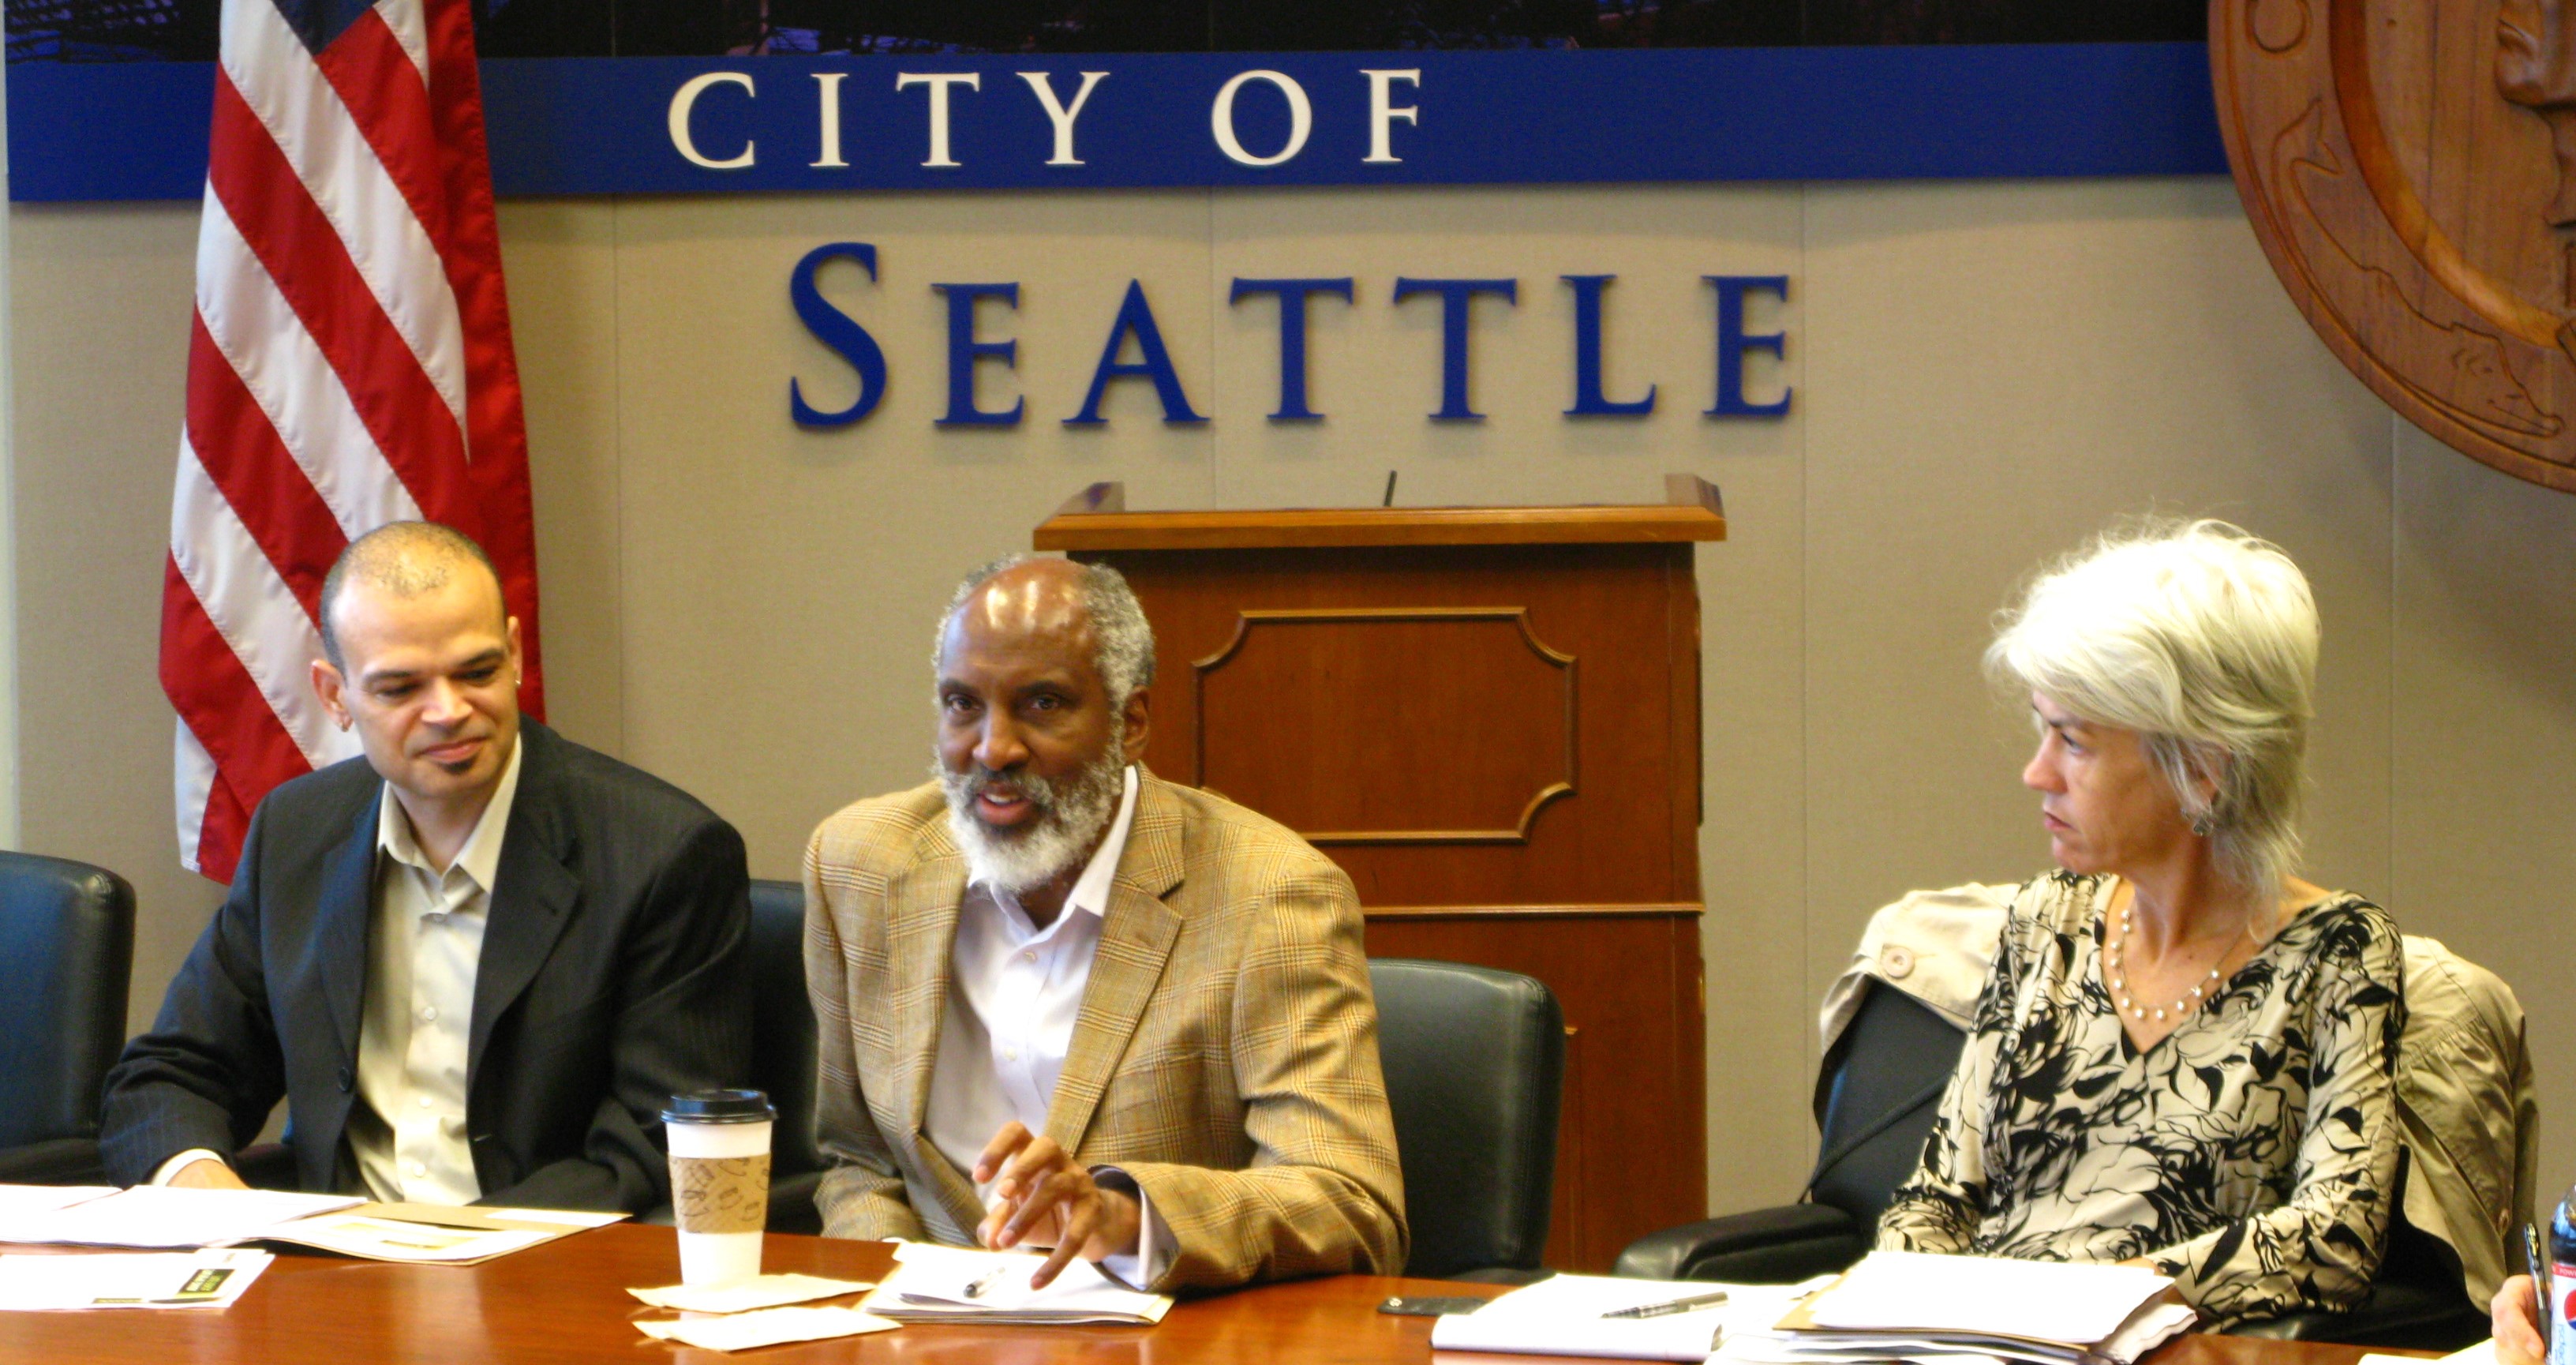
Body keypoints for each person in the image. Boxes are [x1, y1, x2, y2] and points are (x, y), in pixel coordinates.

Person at [100, 522, 754, 1212]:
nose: (449, 711)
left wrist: (447, 1257)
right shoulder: (295, 832)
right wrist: (210, 1195)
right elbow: (169, 1077)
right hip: (332, 1272)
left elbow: (664, 1145)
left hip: (541, 1276)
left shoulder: (662, 852)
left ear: (515, 652)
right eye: (400, 687)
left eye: (476, 671)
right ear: (333, 696)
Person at [803, 554, 1406, 1293]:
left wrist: (1125, 1217)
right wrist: (895, 1307)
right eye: (963, 704)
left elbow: (1350, 1199)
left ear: (1132, 723)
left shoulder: (1269, 895)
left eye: (1042, 704)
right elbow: (857, 1161)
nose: (993, 748)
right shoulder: (860, 867)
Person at [1875, 520, 2407, 1329]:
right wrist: (1893, 1315)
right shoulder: (2045, 922)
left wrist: (2100, 1298)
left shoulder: (2338, 953)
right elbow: (1939, 1198)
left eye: (2074, 740)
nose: (2036, 771)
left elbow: (2334, 1235)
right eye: (2041, 727)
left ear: (2202, 765)